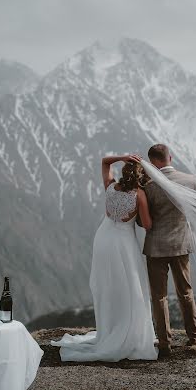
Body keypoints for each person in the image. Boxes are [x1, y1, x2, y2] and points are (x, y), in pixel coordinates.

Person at [51, 154, 158, 362]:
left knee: (107, 285)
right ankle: (127, 330)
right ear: (139, 176)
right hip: (124, 243)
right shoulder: (140, 195)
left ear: (123, 173)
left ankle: (108, 330)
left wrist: (123, 157)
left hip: (104, 239)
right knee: (130, 286)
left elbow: (104, 161)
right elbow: (147, 225)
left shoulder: (110, 187)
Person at [139, 144, 196, 356]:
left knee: (159, 296)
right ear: (170, 158)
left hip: (156, 247)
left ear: (152, 162)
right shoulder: (191, 181)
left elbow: (142, 221)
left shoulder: (149, 187)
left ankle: (165, 343)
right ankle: (193, 339)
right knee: (186, 292)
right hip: (182, 244)